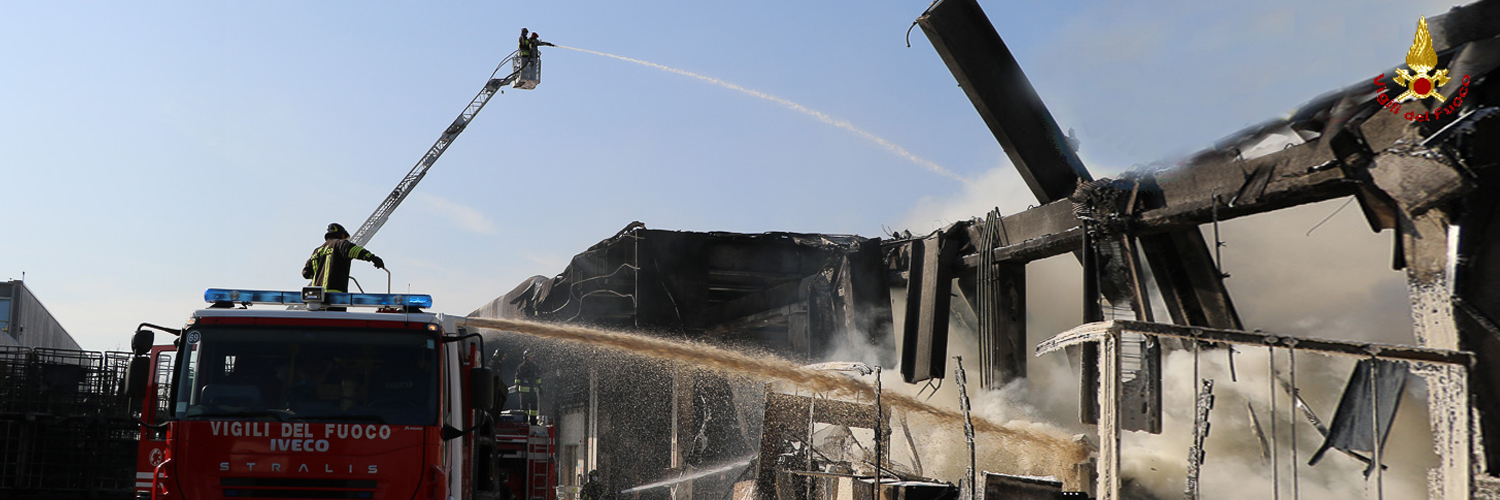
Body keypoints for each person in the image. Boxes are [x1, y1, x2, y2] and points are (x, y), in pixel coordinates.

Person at [302, 223, 384, 293]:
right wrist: (373, 258)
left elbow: (306, 273)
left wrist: (320, 277)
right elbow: (355, 250)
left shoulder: (316, 251)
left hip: (316, 299)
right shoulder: (340, 243)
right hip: (335, 296)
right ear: (341, 234)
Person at [513, 349, 541, 424]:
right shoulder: (521, 367)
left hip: (533, 391)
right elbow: (518, 377)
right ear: (526, 357)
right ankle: (524, 421)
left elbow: (538, 378)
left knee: (534, 408)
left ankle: (533, 421)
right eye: (530, 356)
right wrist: (517, 386)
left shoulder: (535, 367)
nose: (532, 358)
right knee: (524, 408)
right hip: (524, 391)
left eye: (532, 356)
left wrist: (540, 387)